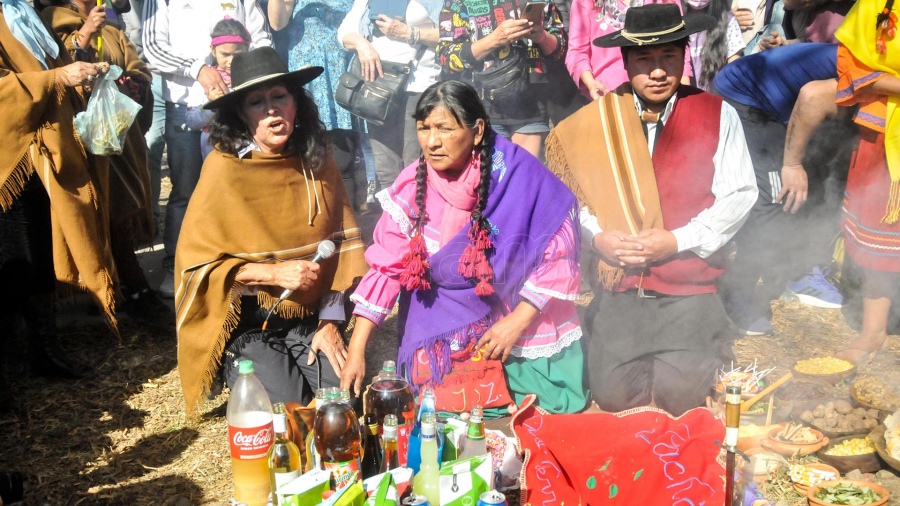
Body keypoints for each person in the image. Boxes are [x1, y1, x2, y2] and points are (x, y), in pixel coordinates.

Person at [546, 4, 758, 416]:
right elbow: (573, 198)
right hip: (622, 291)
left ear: (685, 56)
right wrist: (598, 236)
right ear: (625, 63)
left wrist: (677, 241)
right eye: (644, 60)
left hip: (689, 293)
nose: (658, 72)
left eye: (668, 58)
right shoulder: (595, 122)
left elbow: (740, 195)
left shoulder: (717, 114)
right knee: (613, 398)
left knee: (682, 402)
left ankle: (698, 350)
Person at [341, 80, 589, 415]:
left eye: (444, 128)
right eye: (423, 128)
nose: (431, 141)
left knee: (548, 404)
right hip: (444, 312)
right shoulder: (413, 183)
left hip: (513, 304)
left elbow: (558, 253)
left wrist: (515, 322)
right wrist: (357, 350)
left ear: (476, 131)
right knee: (445, 407)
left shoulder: (518, 175)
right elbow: (387, 267)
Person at [174, 47, 368, 415]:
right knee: (287, 408)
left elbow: (342, 252)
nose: (271, 110)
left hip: (307, 317)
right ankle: (235, 362)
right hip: (249, 322)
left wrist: (330, 324)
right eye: (256, 102)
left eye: (280, 97)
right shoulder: (223, 169)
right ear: (241, 115)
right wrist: (272, 272)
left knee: (341, 403)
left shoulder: (318, 160)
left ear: (296, 103)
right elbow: (197, 265)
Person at [1, 0, 115, 389]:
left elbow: (53, 64)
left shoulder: (22, 13)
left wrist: (79, 69)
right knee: (13, 261)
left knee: (38, 251)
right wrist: (56, 79)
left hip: (42, 148)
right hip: (8, 156)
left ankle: (44, 350)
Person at [42, 0, 173, 325]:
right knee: (97, 211)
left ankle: (121, 289)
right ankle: (129, 289)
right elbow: (54, 66)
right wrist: (84, 35)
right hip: (78, 135)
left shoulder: (112, 26)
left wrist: (132, 82)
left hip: (118, 135)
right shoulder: (52, 19)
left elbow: (138, 66)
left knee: (122, 209)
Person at [712, 43, 845, 335]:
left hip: (777, 105)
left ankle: (793, 270)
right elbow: (812, 97)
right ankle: (737, 294)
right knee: (776, 196)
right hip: (746, 98)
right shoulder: (876, 68)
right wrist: (793, 164)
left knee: (822, 181)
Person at [142, 0, 271, 298]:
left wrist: (245, 70)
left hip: (238, 107)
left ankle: (236, 268)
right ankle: (176, 268)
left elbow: (261, 36)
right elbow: (152, 46)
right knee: (187, 191)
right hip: (185, 103)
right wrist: (198, 69)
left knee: (236, 192)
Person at [832, 0, 900, 365]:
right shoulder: (876, 5)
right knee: (882, 234)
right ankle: (874, 332)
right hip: (884, 133)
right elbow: (852, 65)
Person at [436, 0, 568, 158]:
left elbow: (561, 49)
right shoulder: (457, 2)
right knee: (490, 178)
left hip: (530, 102)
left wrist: (542, 37)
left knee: (523, 176)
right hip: (480, 104)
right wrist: (494, 39)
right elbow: (446, 57)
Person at [337, 0, 443, 196]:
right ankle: (393, 224)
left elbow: (456, 35)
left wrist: (409, 33)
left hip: (419, 87)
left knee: (416, 166)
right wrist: (362, 45)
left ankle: (420, 221)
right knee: (386, 168)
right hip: (378, 90)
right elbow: (344, 33)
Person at [566, 0, 692, 100]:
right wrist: (591, 84)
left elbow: (679, 45)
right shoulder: (586, 2)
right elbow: (577, 51)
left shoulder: (664, 1)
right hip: (609, 96)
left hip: (661, 91)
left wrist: (684, 93)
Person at [184, 18, 250, 160]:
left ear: (248, 50)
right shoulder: (205, 84)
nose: (231, 61)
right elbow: (192, 122)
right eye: (225, 54)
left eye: (238, 54)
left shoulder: (253, 79)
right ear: (213, 51)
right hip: (214, 151)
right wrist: (211, 106)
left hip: (249, 148)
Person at [686, 0, 744, 90]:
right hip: (685, 99)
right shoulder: (675, 24)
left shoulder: (728, 21)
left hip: (718, 98)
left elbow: (735, 70)